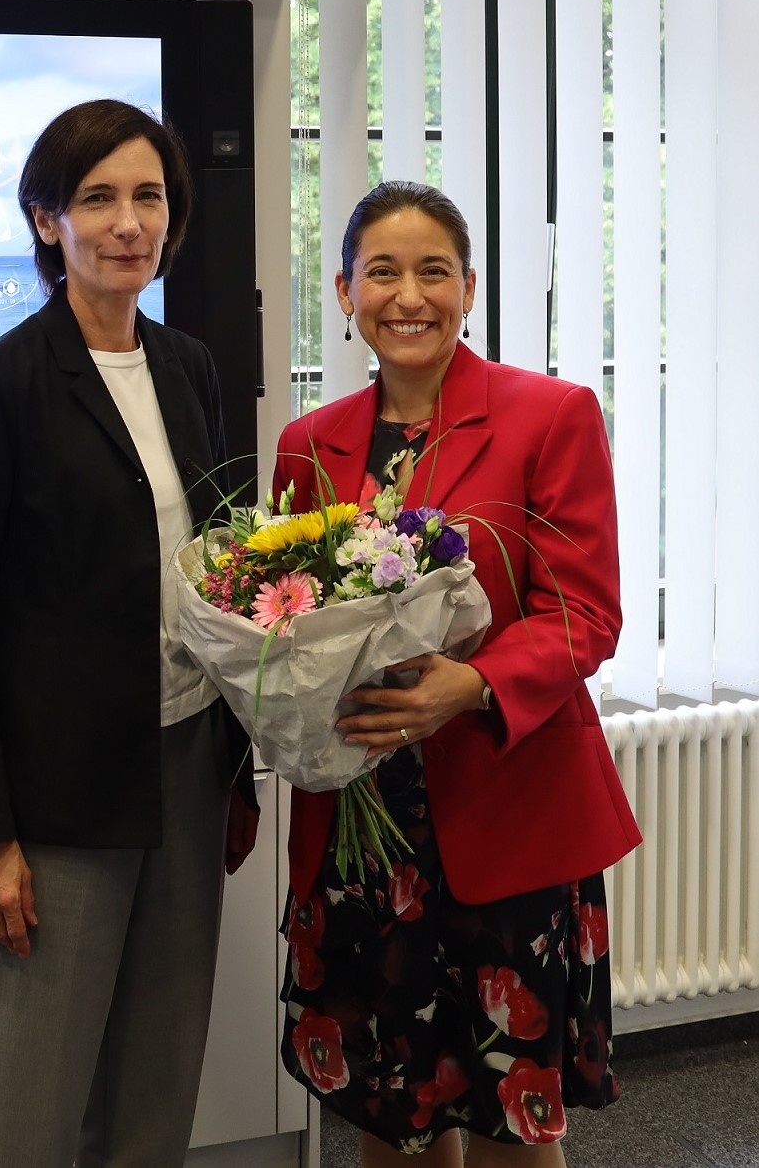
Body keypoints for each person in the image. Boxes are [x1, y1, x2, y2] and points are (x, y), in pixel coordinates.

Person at [272, 180, 641, 1167]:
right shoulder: (308, 444)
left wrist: (468, 685)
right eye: (381, 272)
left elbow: (583, 610)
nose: (408, 296)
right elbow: (283, 621)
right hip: (359, 824)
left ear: (467, 288)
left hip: (503, 805)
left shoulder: (549, 415)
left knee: (508, 1116)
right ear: (344, 291)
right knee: (391, 1114)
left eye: (433, 271)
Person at [0, 98, 260, 1168]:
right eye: (98, 198)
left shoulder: (189, 368)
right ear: (46, 221)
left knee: (154, 1097)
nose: (128, 223)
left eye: (148, 197)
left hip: (184, 769)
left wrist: (236, 773)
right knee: (30, 1111)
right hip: (55, 804)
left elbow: (222, 580)